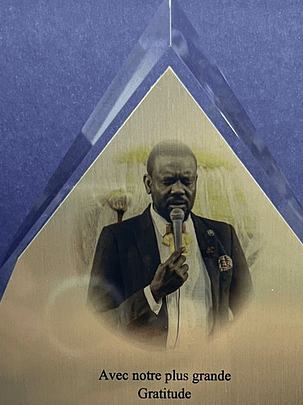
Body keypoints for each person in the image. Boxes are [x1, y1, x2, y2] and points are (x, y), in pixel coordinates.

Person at [88, 141, 252, 348]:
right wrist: (152, 294)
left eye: (186, 181)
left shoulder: (224, 235)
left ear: (196, 182)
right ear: (148, 184)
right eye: (167, 181)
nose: (178, 190)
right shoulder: (117, 238)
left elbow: (249, 312)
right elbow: (96, 323)